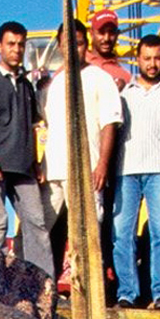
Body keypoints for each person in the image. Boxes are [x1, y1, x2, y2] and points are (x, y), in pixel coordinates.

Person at [0, 20, 53, 275]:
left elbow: (32, 126)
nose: (16, 49)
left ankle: (43, 283)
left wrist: (36, 163)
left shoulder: (26, 85)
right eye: (11, 44)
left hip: (23, 165)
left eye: (20, 44)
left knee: (36, 222)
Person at [112, 34, 160, 307]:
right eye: (147, 58)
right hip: (126, 172)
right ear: (137, 60)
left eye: (158, 58)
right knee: (122, 234)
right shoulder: (124, 94)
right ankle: (127, 293)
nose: (152, 64)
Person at [42, 19, 121, 267]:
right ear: (59, 46)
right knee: (41, 230)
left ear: (85, 45)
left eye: (78, 44)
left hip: (86, 170)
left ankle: (91, 290)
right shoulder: (53, 84)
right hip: (53, 170)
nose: (73, 49)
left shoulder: (101, 78)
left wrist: (102, 165)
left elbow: (109, 124)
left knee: (86, 233)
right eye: (68, 44)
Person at [84, 8, 132, 87]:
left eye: (111, 32)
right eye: (101, 32)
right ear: (91, 33)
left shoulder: (126, 78)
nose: (106, 38)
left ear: (117, 34)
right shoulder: (76, 65)